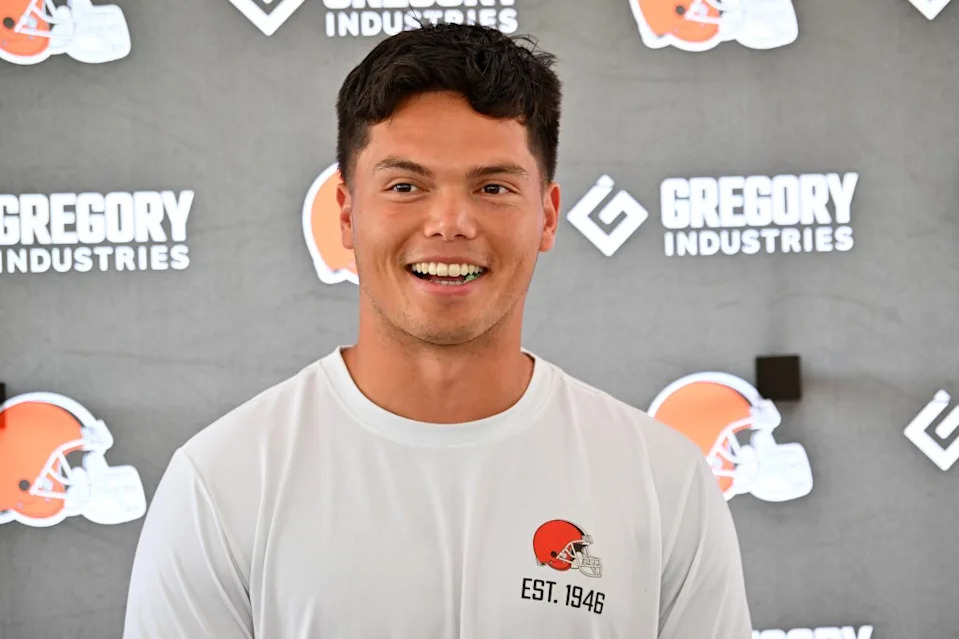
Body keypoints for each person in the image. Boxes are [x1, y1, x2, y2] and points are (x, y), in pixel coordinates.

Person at [123, 22, 752, 638]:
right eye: (405, 185)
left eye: (494, 186)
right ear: (346, 213)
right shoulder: (223, 482)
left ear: (548, 216)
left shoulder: (662, 480)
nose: (450, 222)